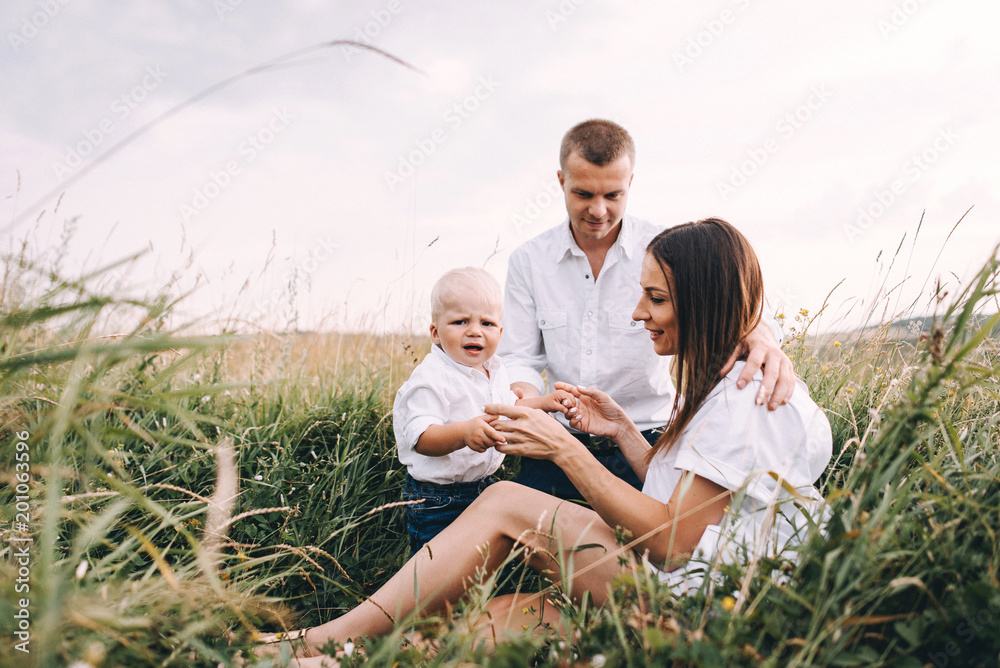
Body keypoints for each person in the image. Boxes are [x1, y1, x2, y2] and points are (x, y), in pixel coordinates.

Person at [261, 219, 832, 664]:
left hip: (702, 607)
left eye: (655, 299)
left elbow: (673, 541)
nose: (639, 313)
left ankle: (315, 643)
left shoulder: (746, 397)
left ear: (703, 302)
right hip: (682, 587)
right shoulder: (721, 379)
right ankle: (342, 659)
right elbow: (698, 501)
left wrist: (567, 450)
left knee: (506, 503)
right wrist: (623, 431)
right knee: (493, 624)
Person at [500, 119, 797, 500]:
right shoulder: (528, 260)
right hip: (559, 440)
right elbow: (519, 356)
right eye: (583, 193)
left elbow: (722, 304)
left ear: (631, 183)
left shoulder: (663, 249)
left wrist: (760, 333)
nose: (598, 210)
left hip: (650, 440)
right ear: (561, 181)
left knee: (648, 546)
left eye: (613, 195)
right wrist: (527, 398)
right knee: (523, 537)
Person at [393, 267, 574, 554]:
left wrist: (545, 402)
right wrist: (464, 433)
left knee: (478, 559)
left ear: (500, 333)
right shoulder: (431, 379)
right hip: (438, 499)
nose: (475, 330)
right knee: (438, 565)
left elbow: (508, 408)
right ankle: (429, 598)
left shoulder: (493, 369)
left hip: (482, 487)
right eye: (460, 321)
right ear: (435, 332)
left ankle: (482, 596)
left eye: (487, 323)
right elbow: (422, 438)